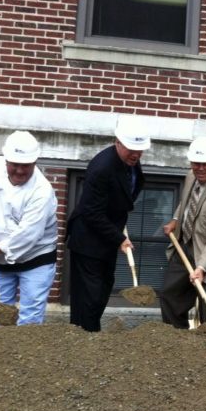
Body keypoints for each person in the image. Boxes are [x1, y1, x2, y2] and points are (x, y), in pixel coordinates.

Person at [66, 118, 150, 332]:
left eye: (140, 150)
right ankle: (85, 336)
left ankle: (90, 333)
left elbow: (123, 196)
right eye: (132, 149)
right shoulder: (102, 168)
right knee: (89, 296)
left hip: (106, 237)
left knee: (103, 288)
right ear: (118, 142)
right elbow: (91, 212)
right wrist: (120, 238)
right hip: (88, 240)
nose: (136, 154)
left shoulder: (130, 161)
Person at [0, 130, 58, 327]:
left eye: (25, 166)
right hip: (0, 262)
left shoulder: (42, 192)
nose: (19, 170)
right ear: (6, 161)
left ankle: (25, 355)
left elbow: (29, 233)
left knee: (30, 316)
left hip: (36, 259)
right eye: (15, 165)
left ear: (34, 163)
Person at [161, 137, 206, 328]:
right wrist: (175, 221)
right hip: (185, 246)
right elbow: (185, 203)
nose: (200, 168)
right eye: (196, 163)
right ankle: (177, 337)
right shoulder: (190, 176)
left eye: (205, 164)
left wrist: (201, 268)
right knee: (170, 294)